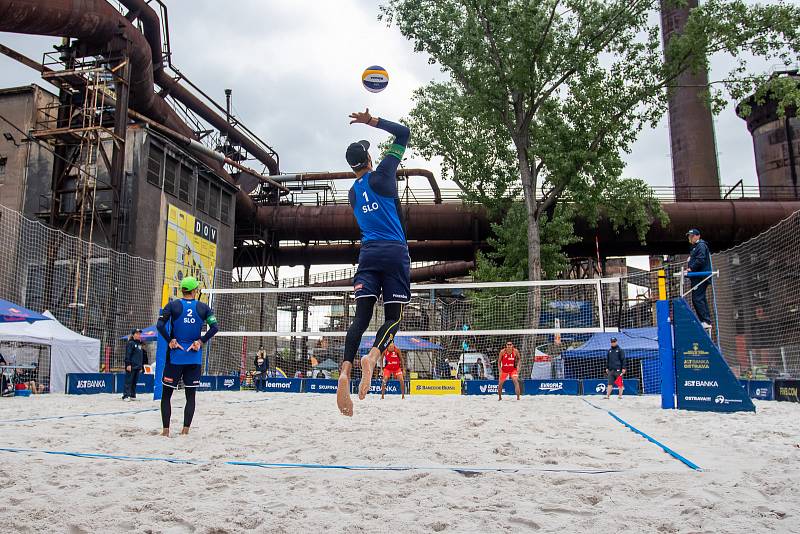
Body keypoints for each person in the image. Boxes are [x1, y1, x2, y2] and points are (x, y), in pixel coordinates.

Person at [336, 108, 411, 417]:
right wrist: (373, 121)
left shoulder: (353, 194)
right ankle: (375, 355)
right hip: (394, 252)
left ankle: (345, 369)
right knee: (393, 316)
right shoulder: (382, 176)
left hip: (368, 254)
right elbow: (403, 134)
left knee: (361, 318)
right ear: (368, 161)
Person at [156, 276, 219, 436]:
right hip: (194, 357)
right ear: (195, 290)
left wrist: (170, 340)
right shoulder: (204, 307)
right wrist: (201, 341)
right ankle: (185, 431)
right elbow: (214, 328)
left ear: (183, 289)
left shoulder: (172, 305)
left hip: (176, 356)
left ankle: (165, 431)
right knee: (190, 396)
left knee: (166, 395)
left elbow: (159, 325)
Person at [686, 228, 713, 330]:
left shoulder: (701, 245)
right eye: (689, 236)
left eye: (692, 236)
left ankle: (705, 320)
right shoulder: (695, 247)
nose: (690, 238)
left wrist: (691, 268)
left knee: (697, 298)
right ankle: (705, 320)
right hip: (697, 276)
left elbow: (700, 259)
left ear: (698, 236)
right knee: (699, 298)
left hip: (700, 276)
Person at [122, 329, 147, 401]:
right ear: (133, 335)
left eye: (140, 334)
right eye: (137, 334)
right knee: (128, 381)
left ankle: (132, 395)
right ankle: (126, 395)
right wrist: (128, 364)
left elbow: (140, 356)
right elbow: (128, 354)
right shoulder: (130, 343)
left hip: (137, 366)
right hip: (131, 366)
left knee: (134, 381)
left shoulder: (139, 344)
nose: (139, 335)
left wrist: (141, 366)